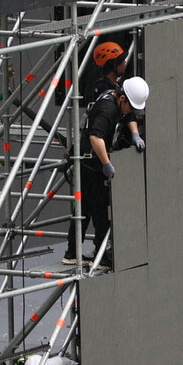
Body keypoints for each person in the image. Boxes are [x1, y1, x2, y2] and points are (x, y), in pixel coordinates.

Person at [63, 76, 149, 268]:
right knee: (100, 210)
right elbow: (96, 137)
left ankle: (71, 252)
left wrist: (134, 133)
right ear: (123, 99)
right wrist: (106, 163)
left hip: (87, 161)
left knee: (84, 208)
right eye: (131, 107)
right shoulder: (108, 109)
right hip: (92, 162)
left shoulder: (114, 96)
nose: (131, 112)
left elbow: (128, 116)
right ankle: (101, 256)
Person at [85, 42, 145, 152]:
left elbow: (128, 113)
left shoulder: (118, 84)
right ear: (113, 66)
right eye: (121, 62)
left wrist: (135, 134)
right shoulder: (103, 89)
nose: (125, 63)